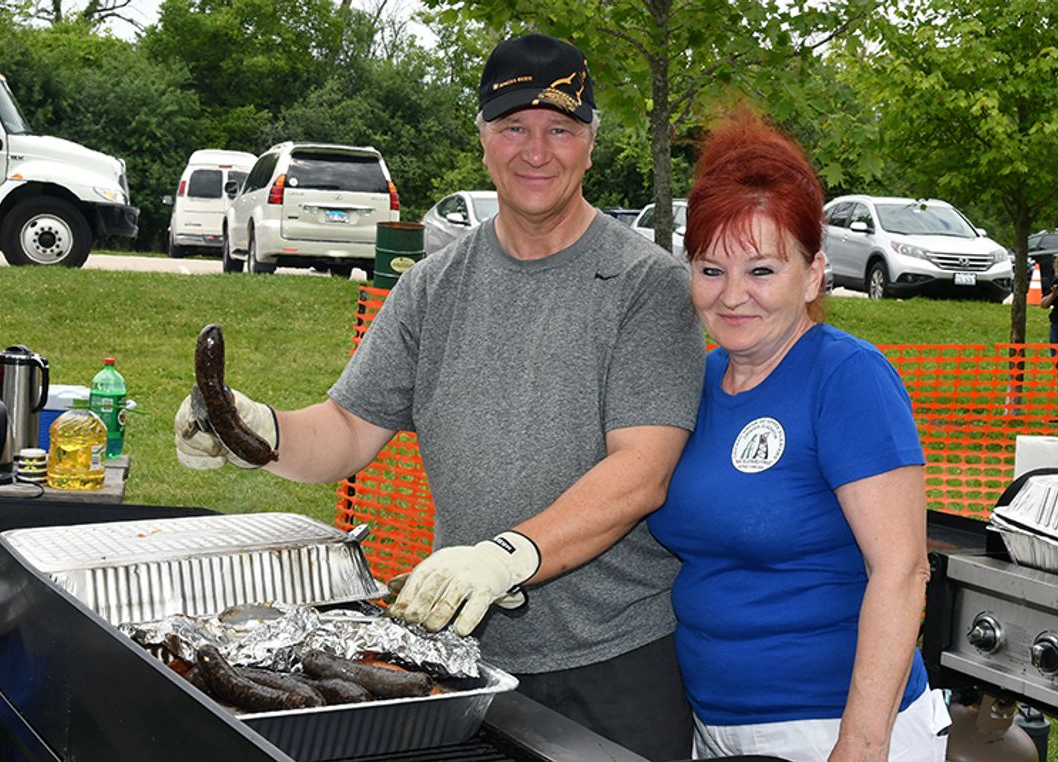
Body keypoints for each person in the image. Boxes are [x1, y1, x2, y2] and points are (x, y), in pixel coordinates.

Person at [176, 32, 705, 760]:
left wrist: (507, 556)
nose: (536, 150)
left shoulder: (648, 286)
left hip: (614, 662)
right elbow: (346, 431)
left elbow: (642, 471)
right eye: (514, 126)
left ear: (590, 144)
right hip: (463, 661)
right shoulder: (434, 285)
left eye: (561, 129)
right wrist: (253, 427)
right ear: (483, 138)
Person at [646, 109, 952, 762]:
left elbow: (901, 571)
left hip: (834, 732)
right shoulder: (696, 382)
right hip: (713, 729)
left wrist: (860, 745)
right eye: (710, 269)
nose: (732, 296)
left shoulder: (847, 378)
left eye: (761, 270)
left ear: (813, 273)